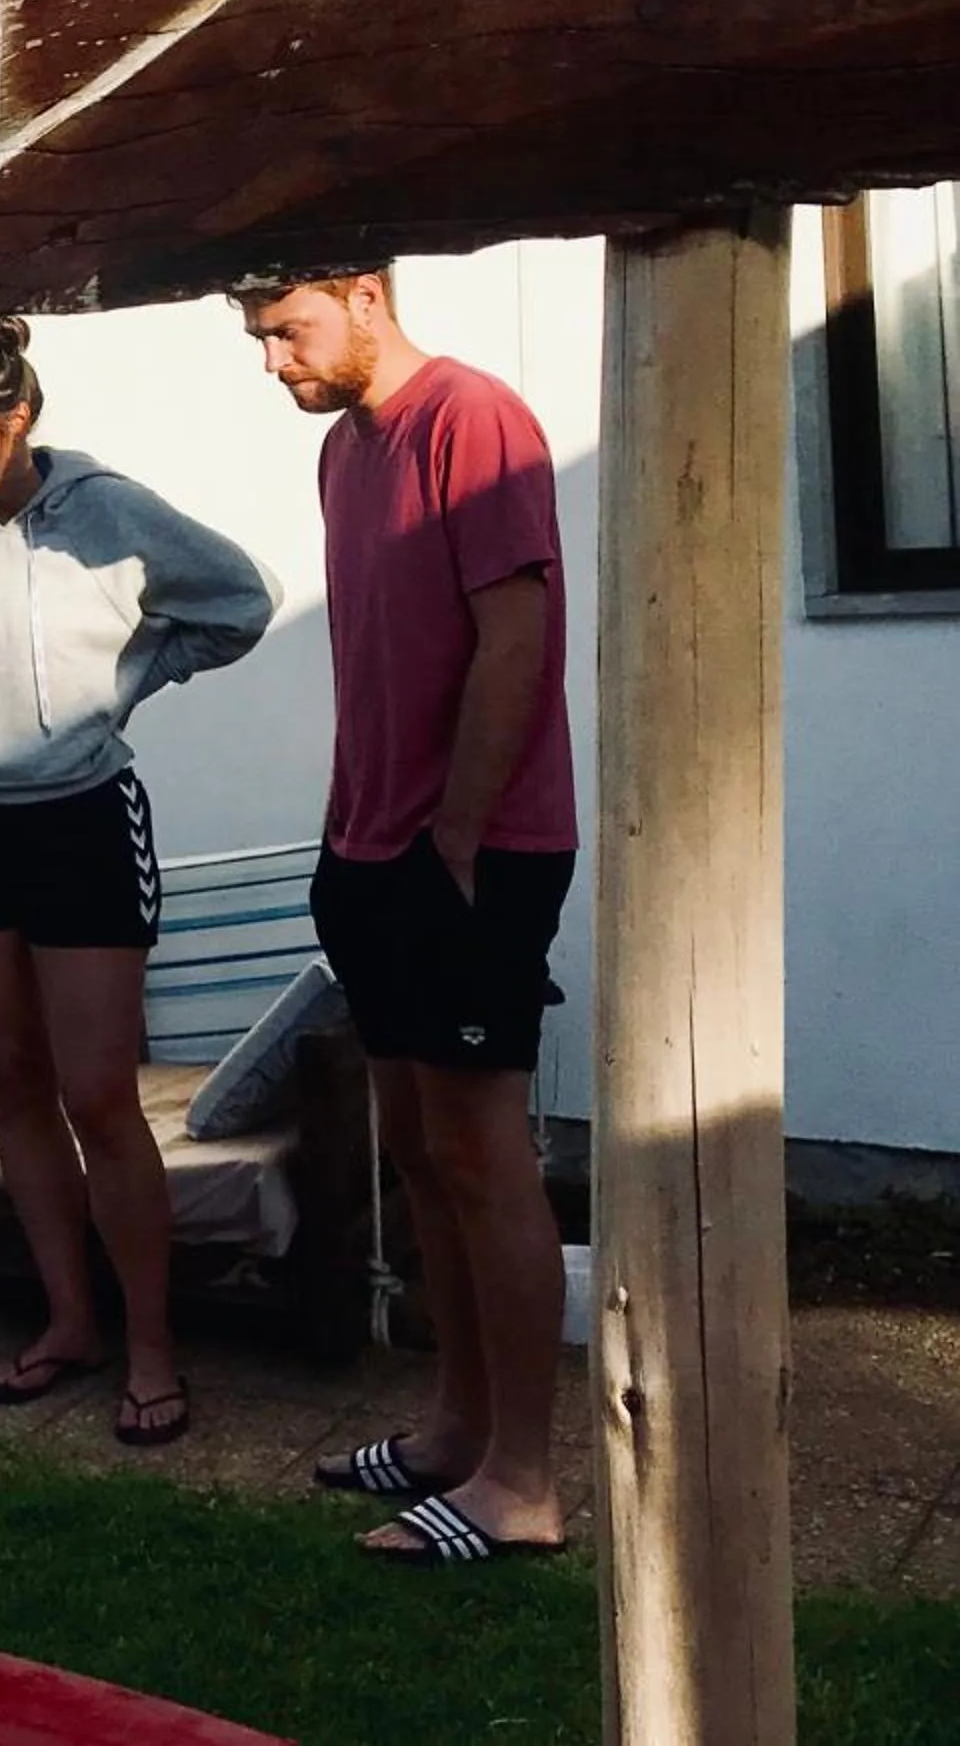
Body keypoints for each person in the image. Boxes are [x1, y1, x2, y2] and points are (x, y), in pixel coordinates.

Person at [0, 314, 276, 1447]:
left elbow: (241, 603)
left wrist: (132, 676)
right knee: (13, 1079)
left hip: (81, 823)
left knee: (98, 1092)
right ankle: (70, 1324)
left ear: (19, 418)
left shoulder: (107, 510)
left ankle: (152, 1348)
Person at [236, 269, 577, 1566]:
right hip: (372, 851)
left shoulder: (471, 418)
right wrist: (354, 839)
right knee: (422, 1152)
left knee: (483, 1154)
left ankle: (524, 1482)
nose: (273, 359)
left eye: (288, 330)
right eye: (259, 336)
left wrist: (458, 835)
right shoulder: (345, 451)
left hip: (475, 851)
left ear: (366, 295)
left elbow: (515, 637)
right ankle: (456, 1431)